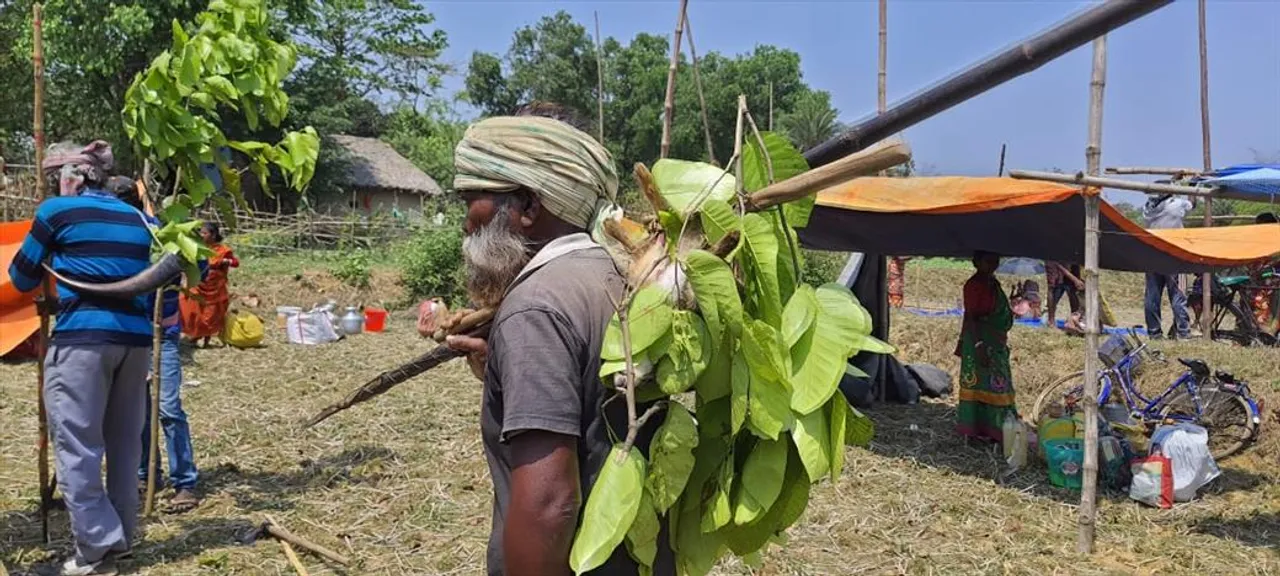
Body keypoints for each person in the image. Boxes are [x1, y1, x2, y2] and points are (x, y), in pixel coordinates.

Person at [442, 102, 673, 575]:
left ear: (528, 206)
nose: (466, 221)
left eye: (472, 200)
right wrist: (504, 364)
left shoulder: (535, 307)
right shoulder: (626, 279)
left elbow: (549, 505)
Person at [9, 142, 151, 576]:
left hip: (83, 342)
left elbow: (20, 276)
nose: (56, 185)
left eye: (58, 178)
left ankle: (95, 550)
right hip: (135, 341)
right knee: (125, 444)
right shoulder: (140, 218)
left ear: (75, 175)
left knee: (78, 445)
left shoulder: (56, 212)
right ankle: (122, 539)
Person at [106, 177, 202, 513]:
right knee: (139, 409)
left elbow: (195, 264)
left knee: (168, 408)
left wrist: (174, 285)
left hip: (163, 333)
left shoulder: (159, 233)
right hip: (131, 333)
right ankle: (147, 473)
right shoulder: (113, 235)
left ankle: (185, 481)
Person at [955, 251, 1015, 444]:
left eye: (995, 260)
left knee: (996, 383)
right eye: (988, 261)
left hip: (995, 342)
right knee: (984, 384)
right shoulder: (974, 285)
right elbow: (971, 316)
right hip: (980, 343)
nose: (993, 264)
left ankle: (994, 429)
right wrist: (979, 345)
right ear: (977, 262)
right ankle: (979, 429)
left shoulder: (992, 283)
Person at [1142, 193, 1194, 339]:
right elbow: (1192, 204)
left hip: (1152, 255)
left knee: (1152, 297)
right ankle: (1183, 332)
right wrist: (1193, 187)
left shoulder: (1148, 209)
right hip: (1174, 256)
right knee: (1179, 295)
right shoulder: (1176, 204)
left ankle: (1154, 333)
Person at [180, 222, 238, 347]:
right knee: (193, 308)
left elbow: (235, 262)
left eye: (205, 233)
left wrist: (225, 260)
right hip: (198, 283)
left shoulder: (223, 250)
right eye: (201, 232)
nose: (202, 235)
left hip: (215, 286)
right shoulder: (197, 247)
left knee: (211, 313)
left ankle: (206, 338)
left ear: (213, 235)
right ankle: (195, 335)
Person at [1044, 261, 1082, 328]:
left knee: (1073, 290)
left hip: (1071, 260)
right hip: (1055, 261)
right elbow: (1056, 264)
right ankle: (1051, 321)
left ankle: (1075, 319)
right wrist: (1074, 279)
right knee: (1052, 288)